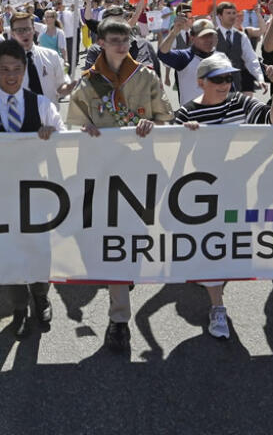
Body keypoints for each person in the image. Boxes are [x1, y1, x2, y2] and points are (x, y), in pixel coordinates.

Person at [66, 18, 173, 352]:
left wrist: (150, 123)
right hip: (101, 176)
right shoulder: (86, 84)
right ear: (100, 43)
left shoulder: (146, 77)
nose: (122, 45)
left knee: (133, 241)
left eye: (126, 39)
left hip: (138, 173)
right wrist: (84, 133)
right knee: (112, 243)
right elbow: (73, 129)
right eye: (114, 40)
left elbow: (166, 120)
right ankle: (119, 319)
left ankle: (123, 281)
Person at [173, 53, 273, 338]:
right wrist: (185, 138)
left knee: (229, 247)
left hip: (241, 190)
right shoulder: (185, 114)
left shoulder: (241, 102)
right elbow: (171, 161)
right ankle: (218, 308)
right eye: (218, 79)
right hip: (203, 195)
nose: (225, 84)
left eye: (229, 78)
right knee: (214, 248)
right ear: (201, 82)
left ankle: (212, 279)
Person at [0, 40, 63, 339]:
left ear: (25, 70)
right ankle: (18, 307)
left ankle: (41, 296)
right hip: (0, 191)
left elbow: (67, 142)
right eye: (5, 70)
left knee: (38, 248)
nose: (11, 76)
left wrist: (52, 135)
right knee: (10, 250)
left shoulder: (42, 104)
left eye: (17, 70)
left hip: (37, 189)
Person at [158, 17, 221, 106]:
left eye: (211, 36)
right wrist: (174, 33)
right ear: (192, 38)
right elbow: (163, 54)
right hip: (191, 115)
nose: (208, 40)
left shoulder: (220, 58)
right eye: (203, 36)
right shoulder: (185, 57)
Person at [214, 1, 264, 95]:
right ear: (220, 16)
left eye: (234, 13)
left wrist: (260, 77)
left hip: (236, 83)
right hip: (216, 84)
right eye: (228, 13)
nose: (232, 16)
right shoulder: (212, 35)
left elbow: (251, 59)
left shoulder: (241, 36)